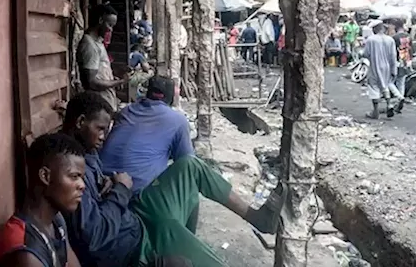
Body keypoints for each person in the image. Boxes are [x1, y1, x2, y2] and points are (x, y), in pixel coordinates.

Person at [61, 91, 285, 267]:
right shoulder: (70, 167)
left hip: (135, 211)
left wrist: (110, 182)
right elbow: (94, 235)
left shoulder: (89, 148)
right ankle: (178, 241)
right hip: (139, 240)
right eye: (100, 129)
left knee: (190, 166)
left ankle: (258, 218)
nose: (104, 136)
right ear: (80, 122)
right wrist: (120, 189)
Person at [0, 133, 86, 267]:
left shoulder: (56, 221)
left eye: (82, 177)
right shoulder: (25, 253)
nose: (82, 185)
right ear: (45, 176)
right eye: (74, 176)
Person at [100, 76, 193, 193]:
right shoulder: (178, 120)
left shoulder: (127, 111)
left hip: (101, 182)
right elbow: (187, 163)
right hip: (136, 192)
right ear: (172, 97)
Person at [77, 4, 128, 111]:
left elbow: (99, 73)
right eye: (110, 25)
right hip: (97, 105)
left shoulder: (98, 42)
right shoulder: (90, 45)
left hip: (104, 103)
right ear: (100, 20)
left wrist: (112, 80)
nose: (111, 30)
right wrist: (119, 82)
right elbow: (91, 82)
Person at [363, 20, 402, 119]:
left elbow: (366, 54)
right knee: (385, 85)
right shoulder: (390, 40)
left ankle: (375, 112)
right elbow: (393, 56)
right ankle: (389, 104)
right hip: (387, 67)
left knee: (374, 86)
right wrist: (394, 70)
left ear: (375, 29)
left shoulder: (371, 40)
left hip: (375, 66)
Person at [392, 19, 413, 111]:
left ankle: (398, 98)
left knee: (391, 82)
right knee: (401, 82)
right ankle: (400, 100)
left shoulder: (395, 37)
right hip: (406, 61)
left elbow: (392, 52)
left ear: (396, 27)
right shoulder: (408, 36)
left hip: (397, 62)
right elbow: (411, 49)